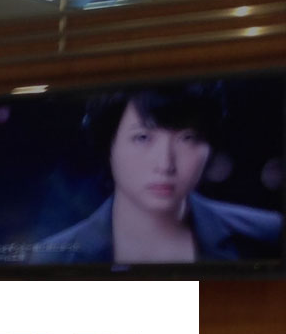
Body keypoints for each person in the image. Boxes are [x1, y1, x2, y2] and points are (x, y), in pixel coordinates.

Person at [30, 83, 282, 264]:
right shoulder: (51, 256)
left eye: (187, 138)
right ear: (108, 146)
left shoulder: (267, 233)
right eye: (142, 138)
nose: (165, 164)